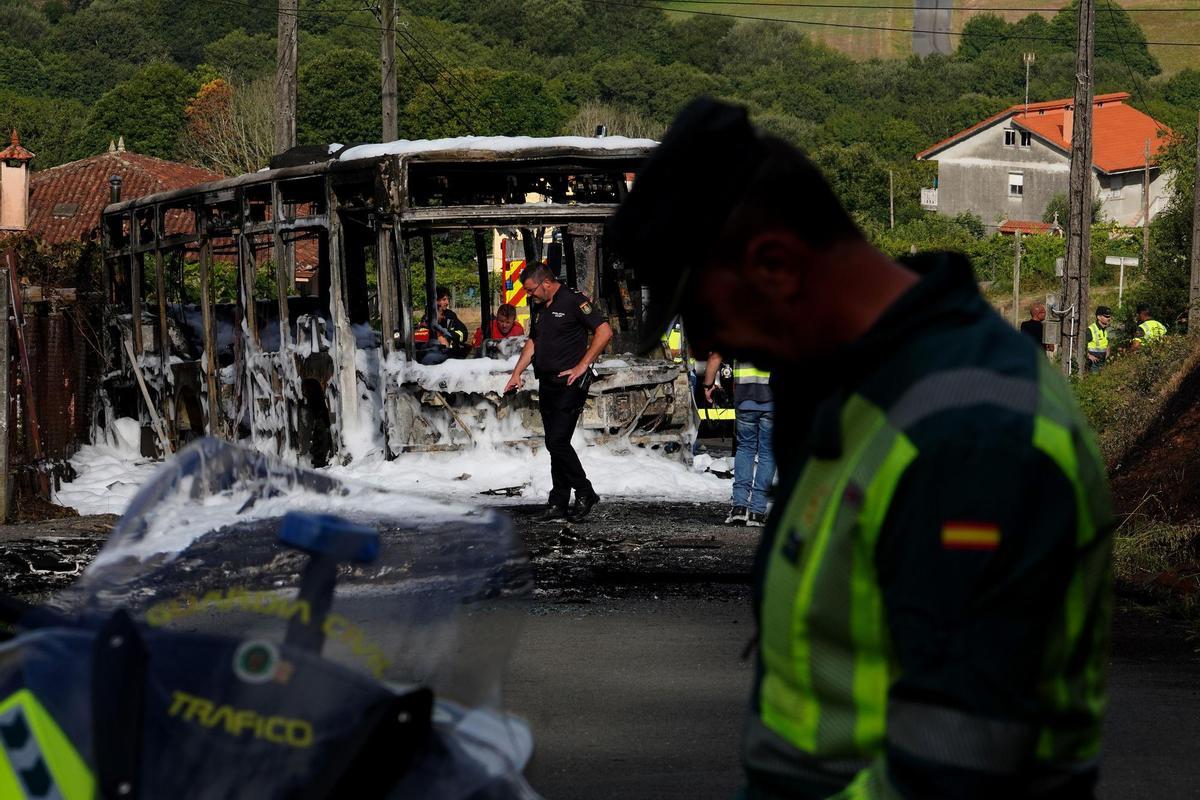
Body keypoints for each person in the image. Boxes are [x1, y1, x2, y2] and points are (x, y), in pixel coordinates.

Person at [609, 98, 1113, 799]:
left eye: (701, 315)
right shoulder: (855, 391)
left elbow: (956, 777)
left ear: (776, 263)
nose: (702, 348)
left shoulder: (972, 437)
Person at [504, 265, 612, 523]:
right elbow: (534, 341)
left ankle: (585, 492)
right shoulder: (540, 307)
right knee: (554, 442)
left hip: (570, 383)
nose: (529, 296)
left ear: (546, 283)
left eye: (531, 290)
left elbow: (604, 331)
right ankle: (558, 503)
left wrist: (582, 364)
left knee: (557, 442)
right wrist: (517, 372)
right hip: (547, 382)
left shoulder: (574, 300)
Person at [704, 353, 775, 527]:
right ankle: (757, 513)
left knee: (745, 448)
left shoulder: (743, 327)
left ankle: (739, 508)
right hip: (773, 400)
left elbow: (715, 357)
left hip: (745, 400)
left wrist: (708, 384)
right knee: (767, 453)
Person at [415, 286, 470, 362]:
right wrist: (438, 337)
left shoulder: (451, 315)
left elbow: (463, 332)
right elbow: (421, 337)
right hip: (435, 357)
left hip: (453, 356)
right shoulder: (427, 318)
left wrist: (448, 337)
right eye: (444, 299)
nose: (447, 303)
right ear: (436, 301)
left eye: (448, 299)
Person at [1086, 305, 1112, 372]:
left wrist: (1107, 356)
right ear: (1098, 317)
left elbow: (1107, 345)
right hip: (1093, 363)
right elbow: (1081, 346)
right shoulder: (1091, 329)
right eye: (1106, 316)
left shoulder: (1106, 330)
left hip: (1103, 362)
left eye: (1109, 316)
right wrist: (1089, 356)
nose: (1109, 318)